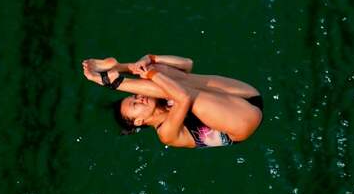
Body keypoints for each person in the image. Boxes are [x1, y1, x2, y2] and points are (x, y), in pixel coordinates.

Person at [82, 55, 263, 148]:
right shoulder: (166, 134)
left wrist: (150, 59)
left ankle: (117, 68)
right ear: (139, 122)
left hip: (247, 95)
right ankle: (113, 81)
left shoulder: (160, 97)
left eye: (135, 96)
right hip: (242, 123)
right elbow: (182, 98)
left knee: (158, 72)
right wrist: (151, 75)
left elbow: (187, 64)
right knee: (173, 91)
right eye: (135, 104)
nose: (140, 98)